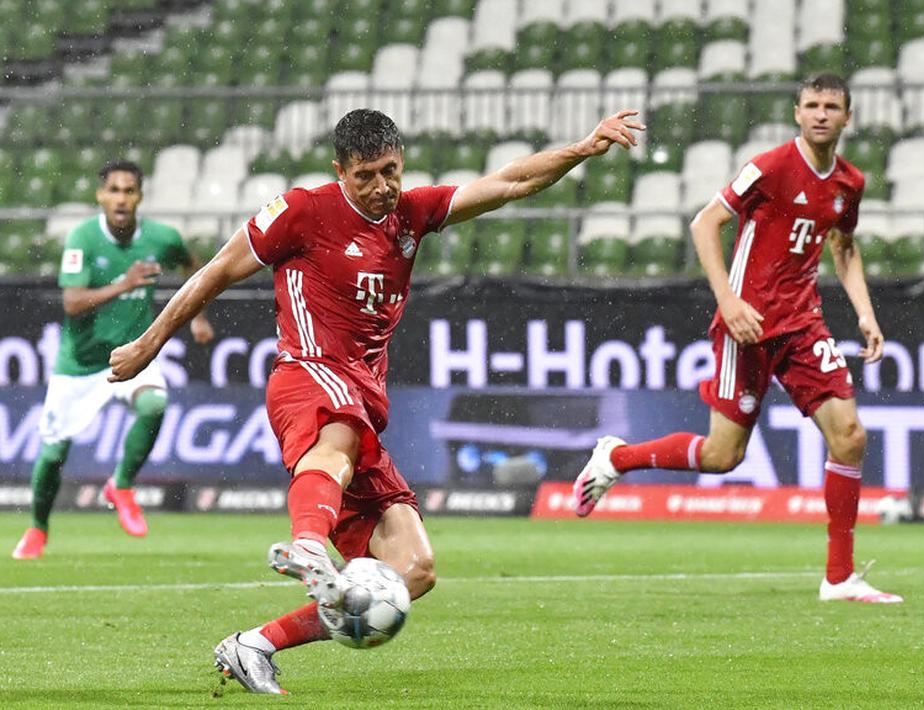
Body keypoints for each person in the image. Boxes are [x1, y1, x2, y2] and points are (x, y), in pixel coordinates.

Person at [109, 107, 644, 694]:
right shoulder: (302, 211)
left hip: (363, 397)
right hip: (308, 373)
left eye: (390, 171)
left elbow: (510, 182)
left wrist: (581, 148)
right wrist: (149, 342)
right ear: (340, 171)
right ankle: (309, 544)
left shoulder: (411, 213)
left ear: (402, 162)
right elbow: (215, 272)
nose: (381, 186)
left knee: (413, 570)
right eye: (365, 175)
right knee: (339, 434)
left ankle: (255, 644)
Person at [571, 74, 901, 604]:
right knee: (723, 456)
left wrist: (866, 313)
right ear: (797, 112)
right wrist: (728, 300)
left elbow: (843, 246)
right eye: (812, 105)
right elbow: (705, 223)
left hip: (803, 324)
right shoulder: (770, 167)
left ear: (848, 116)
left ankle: (839, 578)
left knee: (850, 436)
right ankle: (618, 458)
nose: (821, 114)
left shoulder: (849, 183)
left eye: (831, 106)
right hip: (747, 325)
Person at [10, 161, 214, 559]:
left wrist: (200, 316)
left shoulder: (161, 238)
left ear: (140, 197)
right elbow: (72, 303)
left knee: (154, 404)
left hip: (131, 354)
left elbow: (196, 269)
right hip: (80, 364)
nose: (121, 199)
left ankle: (120, 485)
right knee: (52, 454)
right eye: (114, 191)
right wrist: (125, 284)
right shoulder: (83, 238)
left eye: (129, 191)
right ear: (100, 196)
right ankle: (38, 528)